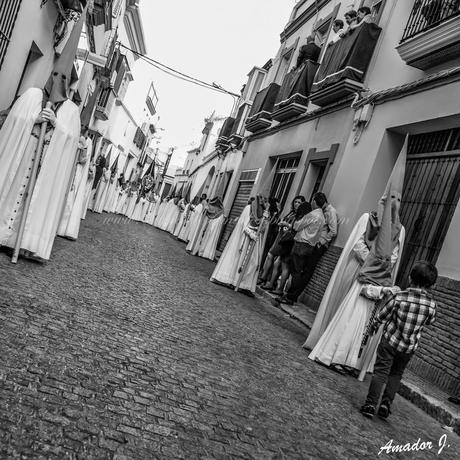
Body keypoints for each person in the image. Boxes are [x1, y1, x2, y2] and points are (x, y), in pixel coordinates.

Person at [308, 140, 408, 376]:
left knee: (367, 322)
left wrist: (384, 264)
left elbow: (394, 256)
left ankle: (356, 360)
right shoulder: (367, 219)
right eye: (388, 200)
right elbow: (357, 245)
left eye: (397, 200)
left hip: (380, 281)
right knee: (348, 314)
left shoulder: (400, 230)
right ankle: (336, 352)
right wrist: (372, 262)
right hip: (359, 274)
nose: (391, 205)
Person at [0, 15, 82, 262]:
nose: (59, 81)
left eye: (64, 79)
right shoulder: (33, 95)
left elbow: (70, 142)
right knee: (15, 190)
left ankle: (23, 241)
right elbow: (14, 120)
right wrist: (34, 119)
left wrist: (57, 125)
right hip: (24, 153)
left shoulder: (70, 111)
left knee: (34, 198)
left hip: (48, 161)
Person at [360, 261, 437, 419]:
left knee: (380, 372)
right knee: (396, 374)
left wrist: (373, 327)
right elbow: (430, 321)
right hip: (409, 348)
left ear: (410, 278)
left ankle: (370, 404)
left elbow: (382, 315)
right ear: (431, 285)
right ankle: (385, 404)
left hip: (389, 342)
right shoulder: (431, 304)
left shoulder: (399, 297)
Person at [276, 196, 325, 305]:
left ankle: (290, 297)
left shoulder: (312, 215)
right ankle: (291, 296)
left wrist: (298, 218)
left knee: (296, 272)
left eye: (313, 200)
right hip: (310, 246)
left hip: (301, 245)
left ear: (315, 202)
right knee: (299, 271)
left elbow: (297, 226)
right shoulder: (322, 217)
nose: (311, 202)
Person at [293, 192, 337, 294]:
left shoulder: (331, 211)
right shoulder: (320, 211)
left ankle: (294, 294)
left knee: (307, 270)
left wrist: (320, 242)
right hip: (312, 243)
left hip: (319, 245)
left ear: (315, 201)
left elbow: (333, 231)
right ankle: (293, 293)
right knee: (302, 269)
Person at [259, 195, 305, 289]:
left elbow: (295, 227)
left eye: (299, 202)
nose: (296, 204)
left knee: (277, 261)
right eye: (295, 202)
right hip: (281, 235)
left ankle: (269, 281)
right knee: (273, 258)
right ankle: (267, 279)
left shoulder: (300, 215)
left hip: (287, 239)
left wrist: (286, 224)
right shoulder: (291, 212)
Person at [57, 126, 91, 240]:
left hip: (75, 171)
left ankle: (62, 227)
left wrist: (83, 147)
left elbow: (83, 159)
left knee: (69, 199)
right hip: (66, 168)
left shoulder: (86, 142)